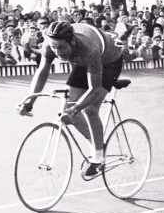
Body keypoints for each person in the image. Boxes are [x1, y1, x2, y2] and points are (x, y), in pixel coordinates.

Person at [17, 21, 123, 180]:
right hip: (81, 62)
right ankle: (97, 144)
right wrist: (29, 101)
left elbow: (94, 89)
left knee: (89, 109)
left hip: (109, 61)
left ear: (72, 41)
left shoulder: (89, 49)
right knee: (67, 108)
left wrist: (75, 109)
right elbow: (42, 71)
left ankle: (99, 158)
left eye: (61, 48)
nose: (57, 53)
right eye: (54, 48)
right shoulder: (51, 43)